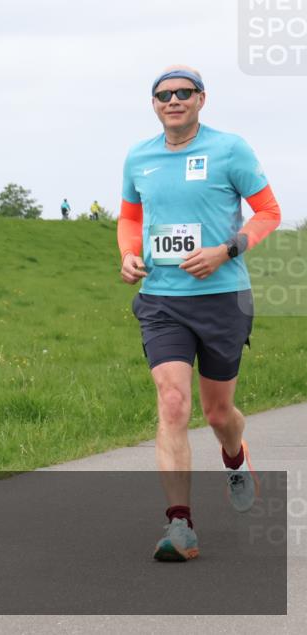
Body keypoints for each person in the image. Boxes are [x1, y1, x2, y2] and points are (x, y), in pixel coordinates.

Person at [118, 65, 281, 562]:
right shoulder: (139, 157)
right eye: (163, 95)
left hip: (222, 299)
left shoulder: (230, 149)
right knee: (172, 403)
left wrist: (225, 251)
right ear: (154, 104)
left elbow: (268, 211)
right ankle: (180, 525)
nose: (173, 101)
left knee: (217, 413)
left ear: (201, 99)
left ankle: (235, 457)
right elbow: (130, 217)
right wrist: (127, 254)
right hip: (163, 300)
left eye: (183, 93)